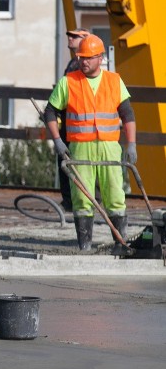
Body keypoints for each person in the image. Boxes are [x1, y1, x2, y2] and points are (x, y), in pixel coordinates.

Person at [43, 35, 136, 254]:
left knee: (115, 195)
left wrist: (131, 144)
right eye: (81, 57)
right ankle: (84, 246)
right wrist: (57, 140)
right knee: (82, 198)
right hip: (80, 148)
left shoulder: (114, 81)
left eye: (88, 58)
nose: (83, 61)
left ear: (100, 58)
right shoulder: (69, 81)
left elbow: (127, 113)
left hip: (109, 147)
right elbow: (50, 111)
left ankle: (120, 245)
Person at [56, 29, 90, 211]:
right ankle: (68, 200)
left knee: (81, 163)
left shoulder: (88, 65)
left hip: (82, 124)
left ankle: (85, 200)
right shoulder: (72, 63)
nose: (70, 38)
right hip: (68, 120)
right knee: (64, 160)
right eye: (69, 35)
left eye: (75, 36)